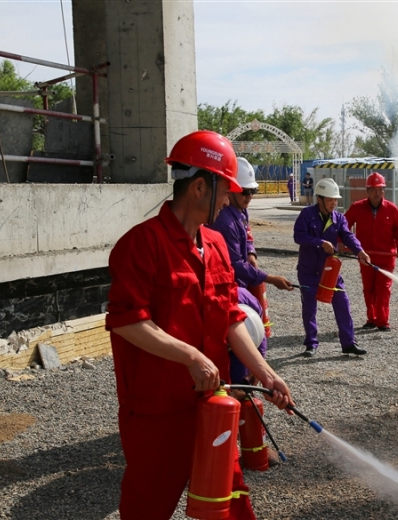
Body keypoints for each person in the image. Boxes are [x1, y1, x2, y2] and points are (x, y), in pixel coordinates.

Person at [105, 130, 293, 520]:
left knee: (230, 502)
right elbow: (128, 322)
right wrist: (190, 355)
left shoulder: (216, 244)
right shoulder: (141, 244)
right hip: (158, 413)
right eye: (225, 190)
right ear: (199, 188)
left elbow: (229, 317)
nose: (229, 199)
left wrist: (266, 372)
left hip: (213, 404)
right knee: (147, 506)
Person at [209, 156, 294, 386]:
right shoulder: (224, 220)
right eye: (244, 192)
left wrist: (252, 254)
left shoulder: (240, 211)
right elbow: (234, 266)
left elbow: (247, 236)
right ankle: (243, 382)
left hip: (241, 282)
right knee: (249, 326)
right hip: (230, 286)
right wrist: (270, 278)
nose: (249, 197)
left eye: (252, 192)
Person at [293, 177, 371, 357]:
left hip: (330, 271)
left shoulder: (339, 218)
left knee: (342, 303)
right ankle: (311, 344)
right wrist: (320, 243)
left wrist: (360, 251)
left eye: (335, 199)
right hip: (308, 270)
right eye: (330, 199)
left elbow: (348, 236)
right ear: (319, 199)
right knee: (309, 308)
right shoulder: (306, 215)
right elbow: (299, 236)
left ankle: (349, 343)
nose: (333, 203)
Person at [344, 172, 398, 331]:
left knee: (383, 289)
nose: (377, 193)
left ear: (384, 191)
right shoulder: (357, 208)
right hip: (366, 257)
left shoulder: (391, 209)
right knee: (368, 289)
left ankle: (382, 321)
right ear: (367, 190)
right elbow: (343, 227)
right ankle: (371, 319)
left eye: (380, 189)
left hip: (386, 257)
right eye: (373, 190)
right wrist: (343, 244)